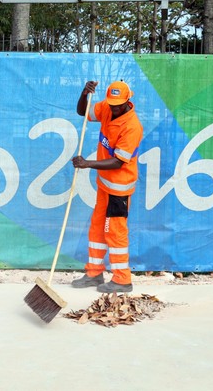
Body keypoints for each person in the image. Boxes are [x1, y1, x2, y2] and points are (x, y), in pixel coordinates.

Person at [71, 80, 143, 293]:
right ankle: (94, 272)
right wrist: (85, 93)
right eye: (111, 103)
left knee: (115, 232)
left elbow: (119, 162)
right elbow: (83, 112)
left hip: (119, 187)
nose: (113, 108)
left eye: (118, 104)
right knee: (97, 227)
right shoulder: (107, 107)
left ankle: (122, 279)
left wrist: (87, 164)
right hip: (104, 183)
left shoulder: (132, 127)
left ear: (127, 100)